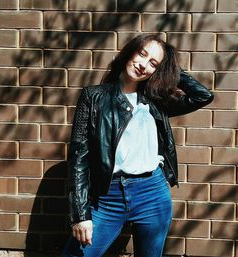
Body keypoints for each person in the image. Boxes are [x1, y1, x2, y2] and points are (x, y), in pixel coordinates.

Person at [61, 34, 214, 257]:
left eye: (153, 63)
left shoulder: (156, 100)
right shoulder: (94, 97)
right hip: (107, 197)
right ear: (129, 52)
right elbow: (79, 158)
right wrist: (80, 214)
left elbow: (203, 96)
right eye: (142, 54)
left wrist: (168, 70)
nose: (144, 64)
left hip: (152, 191)